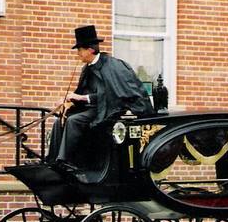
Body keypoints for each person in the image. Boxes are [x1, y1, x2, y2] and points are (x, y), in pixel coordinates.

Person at [48, 25, 153, 170]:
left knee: (74, 120)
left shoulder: (112, 66)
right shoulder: (88, 68)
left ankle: (65, 160)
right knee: (61, 120)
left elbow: (109, 95)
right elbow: (84, 93)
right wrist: (70, 100)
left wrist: (81, 98)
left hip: (107, 110)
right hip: (92, 109)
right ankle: (52, 159)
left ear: (90, 50)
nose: (78, 53)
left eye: (80, 50)